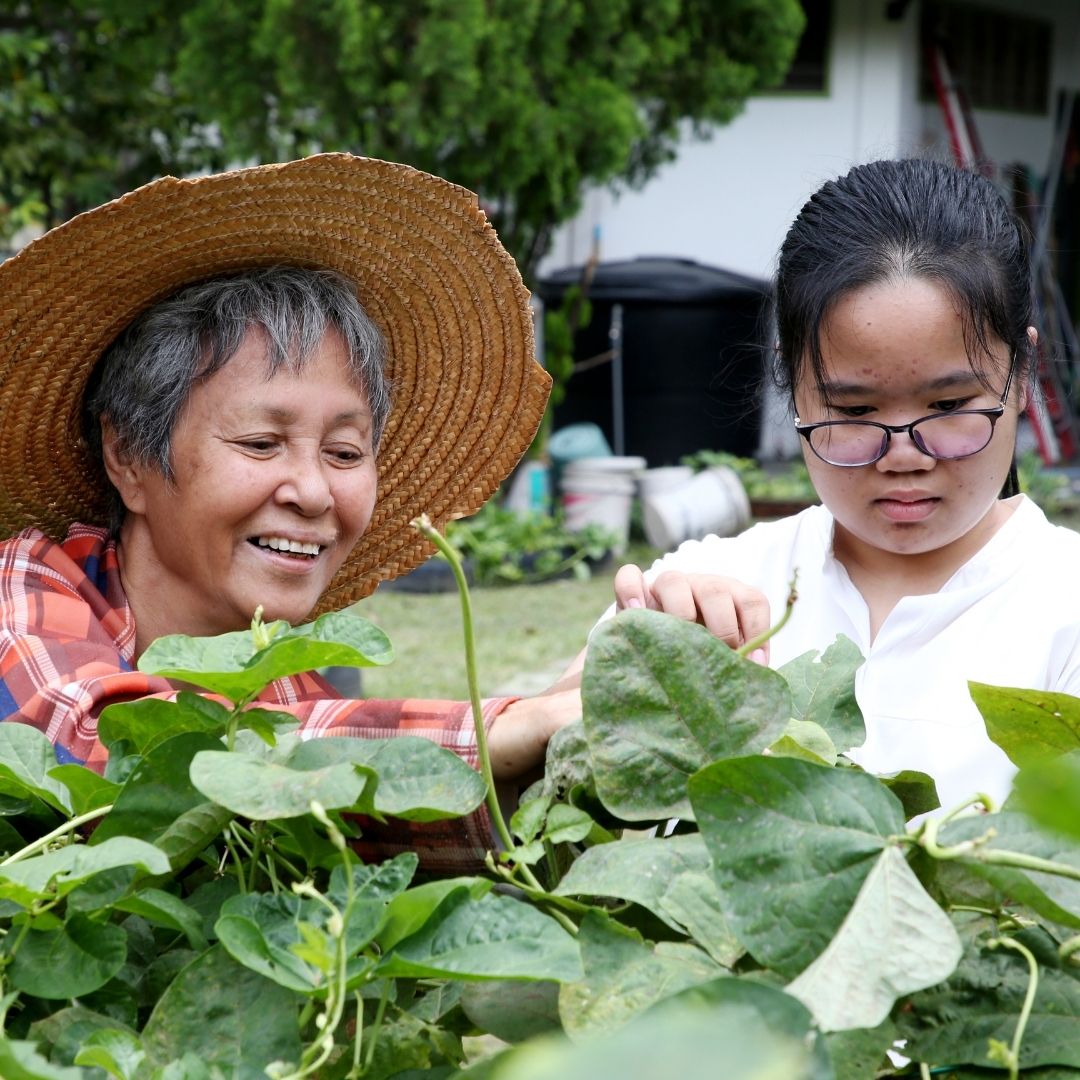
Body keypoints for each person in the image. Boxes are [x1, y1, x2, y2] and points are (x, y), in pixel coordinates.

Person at [0, 153, 575, 870]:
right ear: (127, 458)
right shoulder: (28, 586)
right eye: (262, 442)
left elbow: (401, 828)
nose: (313, 491)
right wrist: (503, 731)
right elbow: (113, 754)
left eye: (344, 452)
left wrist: (569, 713)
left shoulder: (292, 686)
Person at [605, 158, 1080, 812]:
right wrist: (641, 666)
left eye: (948, 407)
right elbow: (520, 759)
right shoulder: (709, 590)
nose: (905, 457)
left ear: (1021, 374)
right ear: (791, 381)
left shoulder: (1067, 608)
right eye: (854, 412)